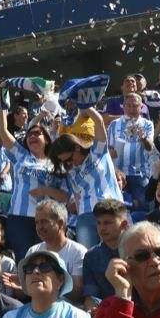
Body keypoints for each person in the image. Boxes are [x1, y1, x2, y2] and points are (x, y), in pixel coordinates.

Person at [0, 95, 66, 262]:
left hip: (46, 219)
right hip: (18, 218)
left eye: (37, 133)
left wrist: (46, 190)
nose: (32, 136)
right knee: (24, 261)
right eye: (29, 134)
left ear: (47, 139)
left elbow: (65, 196)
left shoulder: (57, 162)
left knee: (45, 260)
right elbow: (3, 130)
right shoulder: (21, 155)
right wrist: (2, 101)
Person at [49, 107, 121, 249]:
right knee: (88, 257)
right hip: (85, 216)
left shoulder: (98, 152)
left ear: (76, 147)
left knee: (118, 253)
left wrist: (85, 104)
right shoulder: (70, 171)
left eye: (69, 159)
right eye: (63, 162)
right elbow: (74, 196)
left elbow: (99, 121)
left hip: (112, 210)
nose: (68, 164)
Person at [20, 199, 87, 303]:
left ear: (60, 224)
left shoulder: (78, 252)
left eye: (44, 222)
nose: (39, 227)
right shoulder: (33, 251)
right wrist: (20, 288)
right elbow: (28, 292)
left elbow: (77, 293)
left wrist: (47, 281)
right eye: (37, 223)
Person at [107, 93, 154, 211]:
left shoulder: (147, 124)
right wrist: (112, 151)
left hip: (139, 173)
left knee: (144, 206)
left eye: (135, 106)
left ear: (141, 107)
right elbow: (109, 148)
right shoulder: (114, 124)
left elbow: (150, 147)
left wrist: (143, 138)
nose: (132, 109)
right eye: (128, 106)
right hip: (119, 174)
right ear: (123, 106)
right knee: (119, 208)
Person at [83, 199, 130, 311]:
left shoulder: (137, 250)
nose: (102, 228)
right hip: (106, 313)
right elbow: (91, 296)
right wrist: (93, 308)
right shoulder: (91, 256)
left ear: (124, 224)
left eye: (107, 223)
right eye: (99, 223)